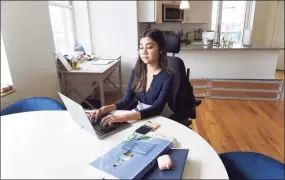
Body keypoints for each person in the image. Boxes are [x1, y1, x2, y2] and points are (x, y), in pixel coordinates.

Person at [88, 29, 174, 127]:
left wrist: (125, 117)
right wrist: (106, 108)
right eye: (141, 48)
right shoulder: (137, 72)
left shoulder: (168, 75)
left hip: (160, 119)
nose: (144, 52)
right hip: (139, 115)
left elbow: (157, 108)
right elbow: (126, 100)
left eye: (149, 47)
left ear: (160, 49)